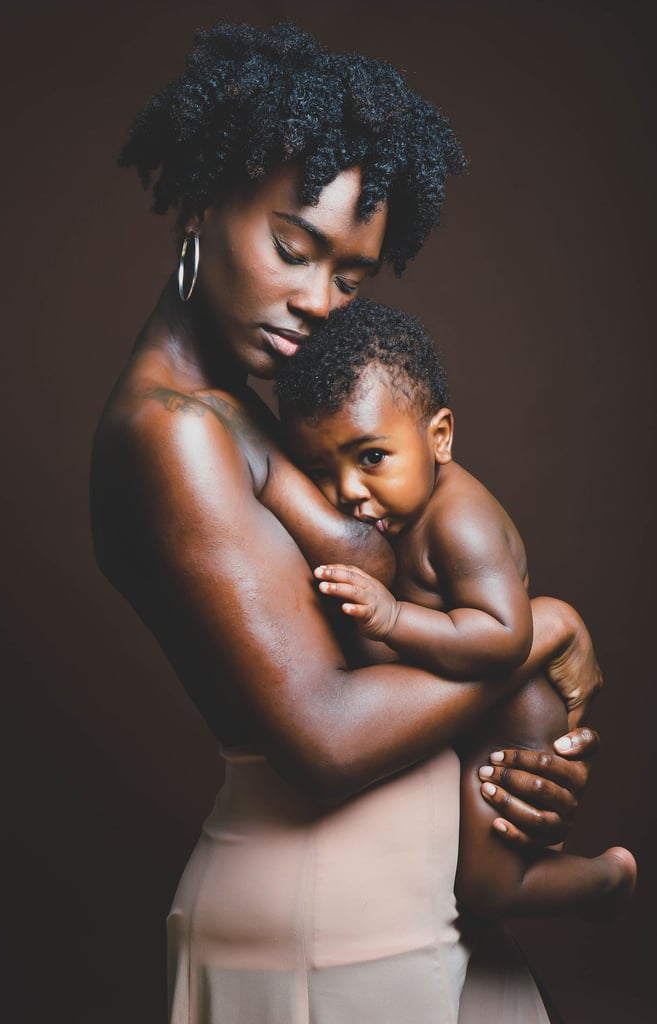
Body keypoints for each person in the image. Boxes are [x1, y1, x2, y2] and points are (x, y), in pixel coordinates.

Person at [91, 21, 602, 1024]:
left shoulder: (258, 412)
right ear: (200, 204)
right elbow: (322, 736)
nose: (317, 302)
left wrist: (512, 770)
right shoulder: (173, 434)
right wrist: (536, 631)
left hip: (408, 910)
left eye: (351, 277)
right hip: (324, 925)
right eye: (292, 248)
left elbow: (399, 632)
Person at [276, 297, 637, 924]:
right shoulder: (396, 509)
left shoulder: (459, 519)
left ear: (438, 436)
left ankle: (609, 877)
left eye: (370, 457)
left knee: (486, 890)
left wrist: (391, 619)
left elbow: (504, 635)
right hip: (462, 711)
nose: (347, 491)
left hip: (511, 721)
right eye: (320, 469)